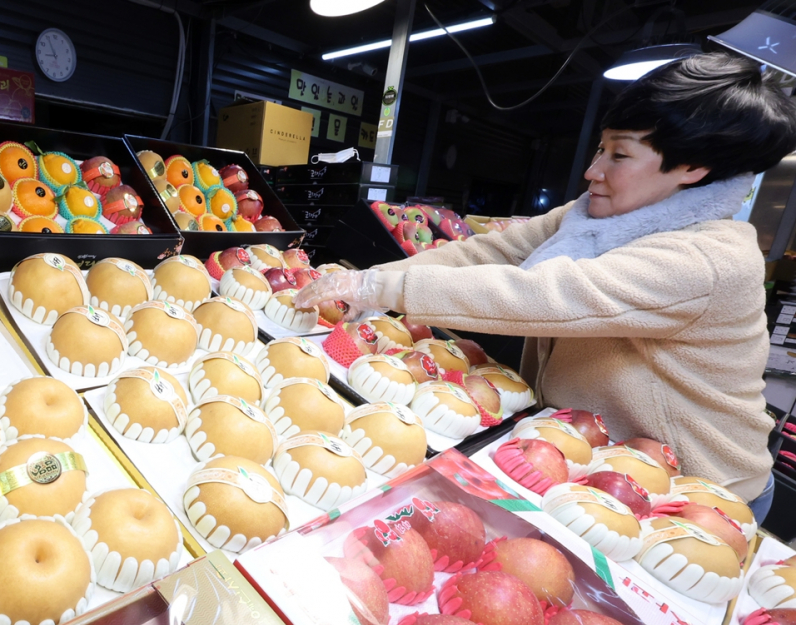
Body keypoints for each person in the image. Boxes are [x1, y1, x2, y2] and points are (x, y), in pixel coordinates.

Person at [297, 52, 796, 519]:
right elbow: (487, 253)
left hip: (692, 487)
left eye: (619, 155)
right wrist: (359, 285)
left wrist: (382, 289)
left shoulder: (709, 259)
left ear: (693, 168)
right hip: (580, 451)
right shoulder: (588, 216)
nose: (592, 171)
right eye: (601, 148)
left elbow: (546, 296)